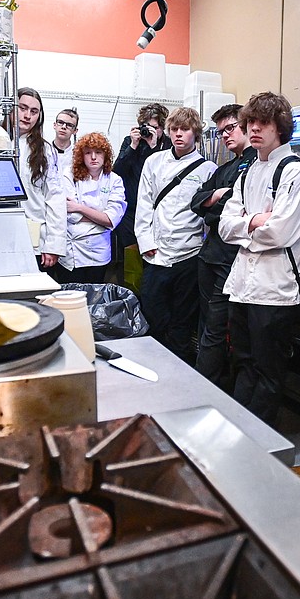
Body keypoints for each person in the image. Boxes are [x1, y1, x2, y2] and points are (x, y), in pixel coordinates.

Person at [219, 91, 300, 426]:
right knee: (242, 362)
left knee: (268, 370)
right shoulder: (246, 173)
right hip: (242, 285)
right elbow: (223, 227)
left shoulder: (296, 171)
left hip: (276, 290)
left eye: (264, 122)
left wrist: (247, 225)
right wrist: (255, 220)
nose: (255, 128)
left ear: (281, 126)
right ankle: (239, 430)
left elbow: (280, 233)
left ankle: (257, 440)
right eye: (251, 122)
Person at [134, 106, 215, 362]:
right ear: (168, 132)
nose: (179, 134)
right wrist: (145, 241)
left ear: (196, 133)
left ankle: (180, 376)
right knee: (153, 317)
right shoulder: (154, 162)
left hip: (188, 256)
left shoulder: (208, 169)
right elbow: (144, 204)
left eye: (185, 129)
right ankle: (153, 367)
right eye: (174, 129)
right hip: (155, 254)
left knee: (182, 324)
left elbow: (208, 215)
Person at [190, 103, 256, 391]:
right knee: (206, 325)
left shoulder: (258, 165)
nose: (226, 136)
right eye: (220, 133)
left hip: (233, 258)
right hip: (210, 256)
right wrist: (217, 198)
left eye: (230, 128)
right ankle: (212, 384)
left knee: (217, 329)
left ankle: (204, 390)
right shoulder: (225, 167)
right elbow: (196, 203)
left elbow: (241, 211)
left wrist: (214, 209)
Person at [58, 131, 126, 284]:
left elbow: (111, 219)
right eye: (88, 153)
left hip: (99, 251)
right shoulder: (69, 175)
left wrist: (80, 208)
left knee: (95, 300)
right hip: (73, 252)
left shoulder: (114, 180)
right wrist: (99, 217)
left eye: (98, 152)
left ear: (106, 155)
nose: (93, 157)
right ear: (81, 156)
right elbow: (70, 216)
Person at [14, 87, 67, 272]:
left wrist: (53, 245)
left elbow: (56, 198)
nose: (27, 115)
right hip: (1, 232)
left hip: (35, 237)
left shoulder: (44, 151)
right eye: (22, 108)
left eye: (34, 111)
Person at [113, 102, 169, 253]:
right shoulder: (130, 141)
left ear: (163, 128)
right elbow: (117, 171)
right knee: (130, 257)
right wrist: (133, 146)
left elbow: (163, 175)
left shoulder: (168, 145)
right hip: (130, 210)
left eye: (155, 127)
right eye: (145, 126)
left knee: (153, 253)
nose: (149, 130)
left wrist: (154, 148)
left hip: (156, 211)